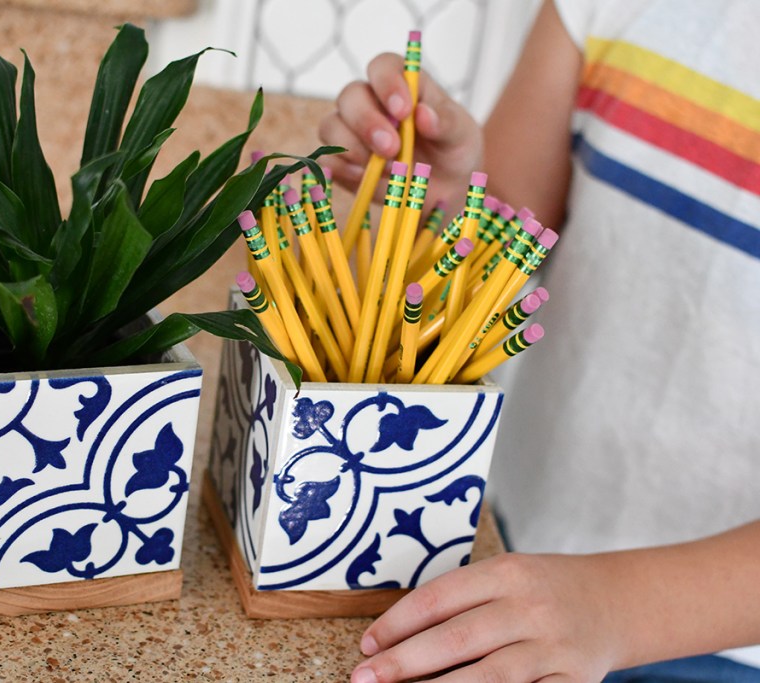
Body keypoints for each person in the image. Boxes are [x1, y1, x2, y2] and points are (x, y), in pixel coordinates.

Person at [319, 0, 760, 681]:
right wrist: (453, 195)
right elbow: (506, 231)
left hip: (728, 647)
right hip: (510, 552)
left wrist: (613, 607)